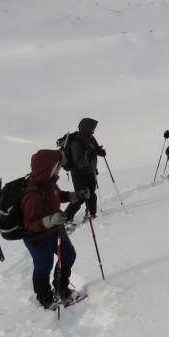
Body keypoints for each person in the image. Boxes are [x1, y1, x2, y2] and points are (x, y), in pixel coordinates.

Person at [22, 148, 87, 308]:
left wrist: (74, 195)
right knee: (44, 265)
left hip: (54, 229)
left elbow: (57, 195)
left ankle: (61, 288)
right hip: (37, 237)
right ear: (48, 167)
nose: (60, 168)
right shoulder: (33, 194)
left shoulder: (49, 183)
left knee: (68, 255)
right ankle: (45, 297)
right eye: (58, 165)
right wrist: (50, 220)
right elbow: (29, 223)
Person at [62, 117, 106, 225]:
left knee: (91, 194)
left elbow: (94, 149)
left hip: (90, 171)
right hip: (79, 174)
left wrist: (99, 151)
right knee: (80, 197)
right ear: (86, 128)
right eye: (92, 128)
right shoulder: (76, 141)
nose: (94, 130)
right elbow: (79, 162)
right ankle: (66, 219)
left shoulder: (90, 137)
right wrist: (89, 157)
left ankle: (91, 214)